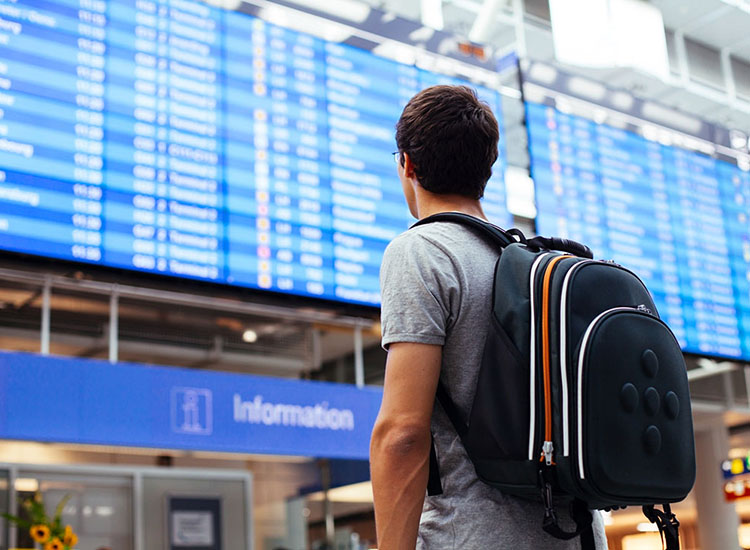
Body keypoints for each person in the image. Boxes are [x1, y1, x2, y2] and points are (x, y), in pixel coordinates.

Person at [369, 85, 608, 549]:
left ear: (407, 165)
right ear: (488, 170)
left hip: (476, 535)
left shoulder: (422, 251)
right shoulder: (534, 266)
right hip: (577, 536)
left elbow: (401, 433)